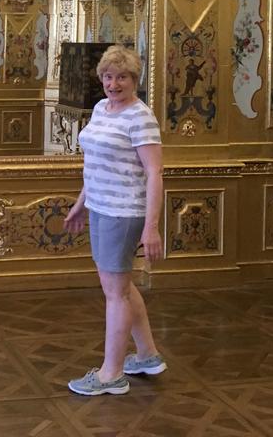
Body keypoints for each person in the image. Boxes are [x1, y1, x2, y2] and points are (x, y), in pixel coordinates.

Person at [64, 44, 165, 396]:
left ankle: (111, 373)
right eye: (108, 76)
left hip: (123, 213)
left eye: (122, 77)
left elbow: (154, 174)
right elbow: (94, 164)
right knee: (121, 287)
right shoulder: (100, 109)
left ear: (134, 79)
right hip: (101, 206)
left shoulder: (140, 116)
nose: (114, 83)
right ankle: (147, 354)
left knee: (115, 293)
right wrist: (82, 202)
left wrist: (151, 227)